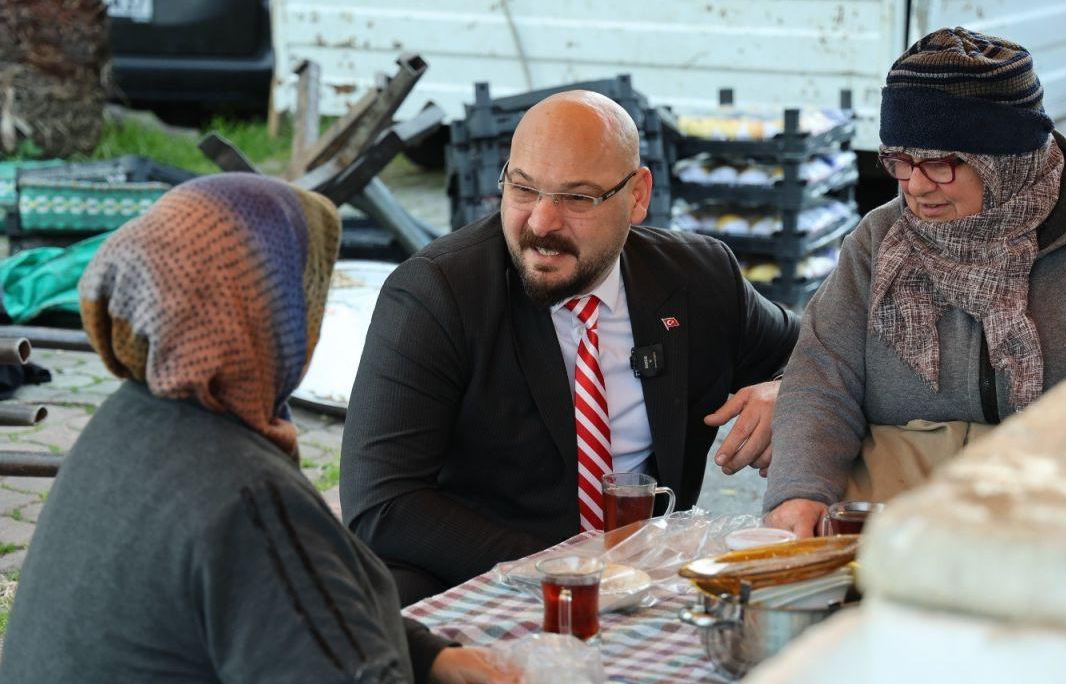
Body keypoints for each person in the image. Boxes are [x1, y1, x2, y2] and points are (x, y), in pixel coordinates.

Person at [0, 174, 664, 684]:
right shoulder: (241, 493)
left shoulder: (132, 427)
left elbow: (278, 618)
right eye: (309, 296)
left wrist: (422, 655)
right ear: (260, 318)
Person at [341, 90, 800, 604]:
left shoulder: (698, 277)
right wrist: (574, 572)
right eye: (523, 189)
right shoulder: (435, 294)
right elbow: (381, 504)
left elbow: (813, 352)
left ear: (637, 196)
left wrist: (788, 392)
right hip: (484, 585)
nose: (541, 223)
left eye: (577, 198)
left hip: (646, 588)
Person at [764, 27, 1066, 537]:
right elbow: (823, 373)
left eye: (941, 165)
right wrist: (800, 492)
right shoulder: (881, 238)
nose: (917, 187)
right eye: (899, 161)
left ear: (1007, 162)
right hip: (893, 515)